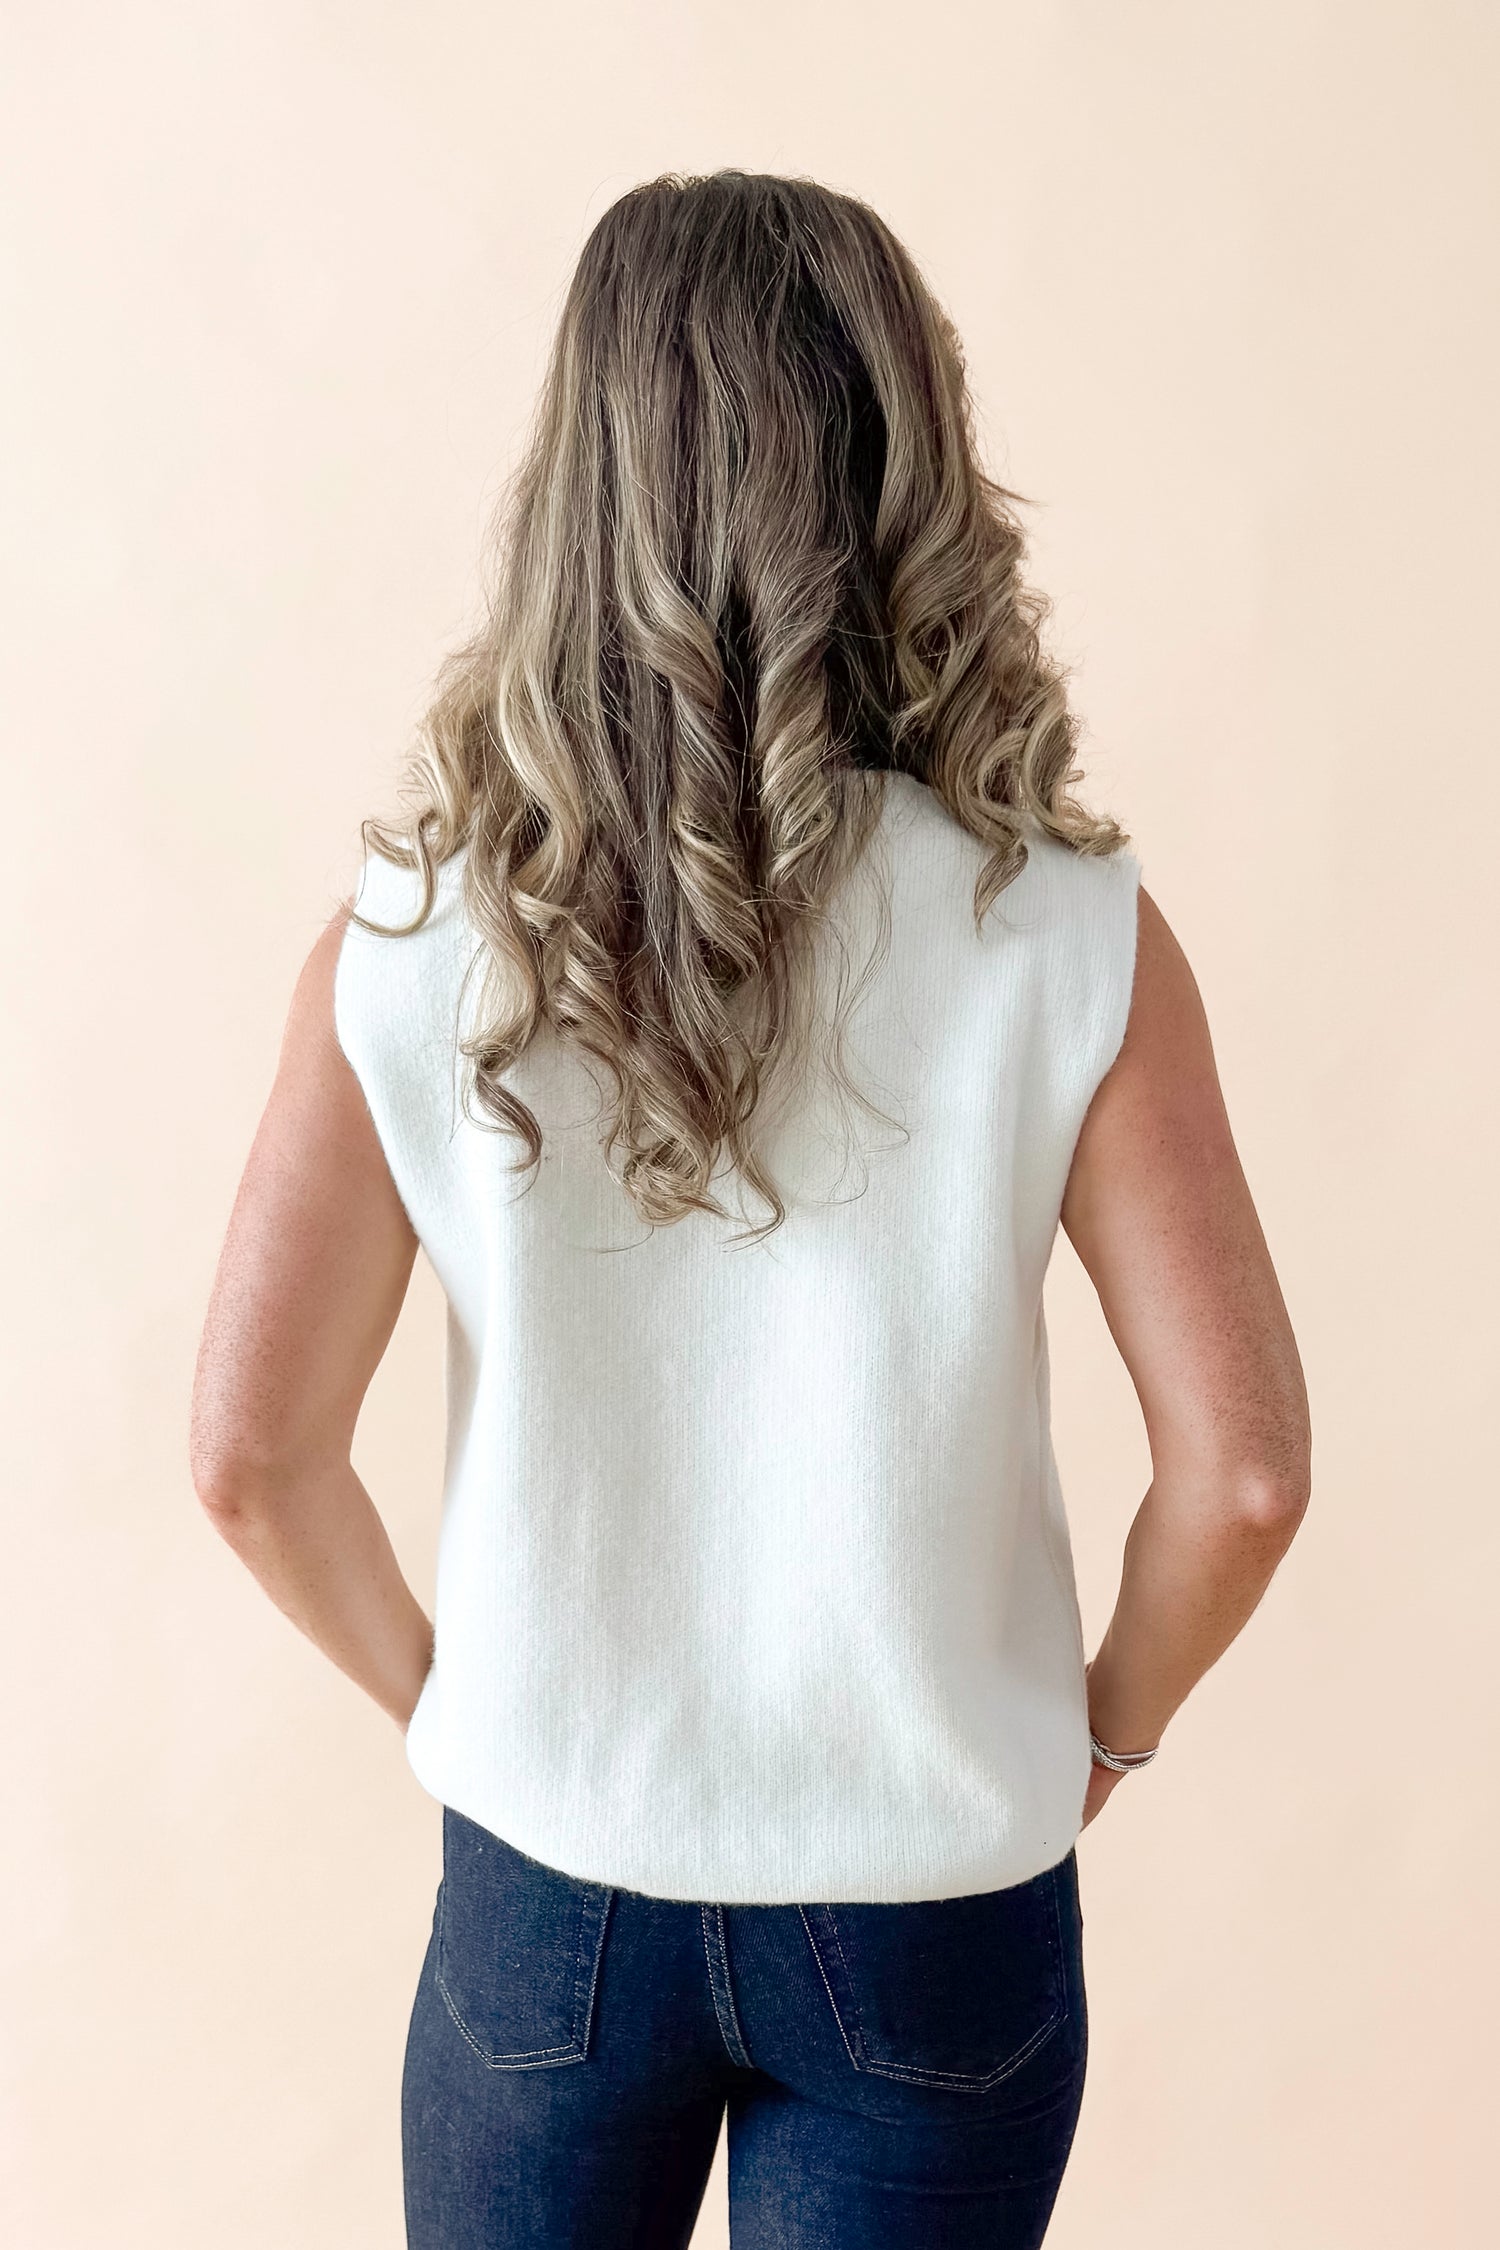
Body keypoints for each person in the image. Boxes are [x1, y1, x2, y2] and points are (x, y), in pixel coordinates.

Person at [190, 169, 1312, 2250]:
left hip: (550, 1894)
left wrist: (464, 1712)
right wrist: (1104, 1737)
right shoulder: (1069, 933)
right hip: (934, 1894)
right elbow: (1242, 1477)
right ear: (913, 468)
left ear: (578, 482)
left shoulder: (415, 938)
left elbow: (251, 1456)